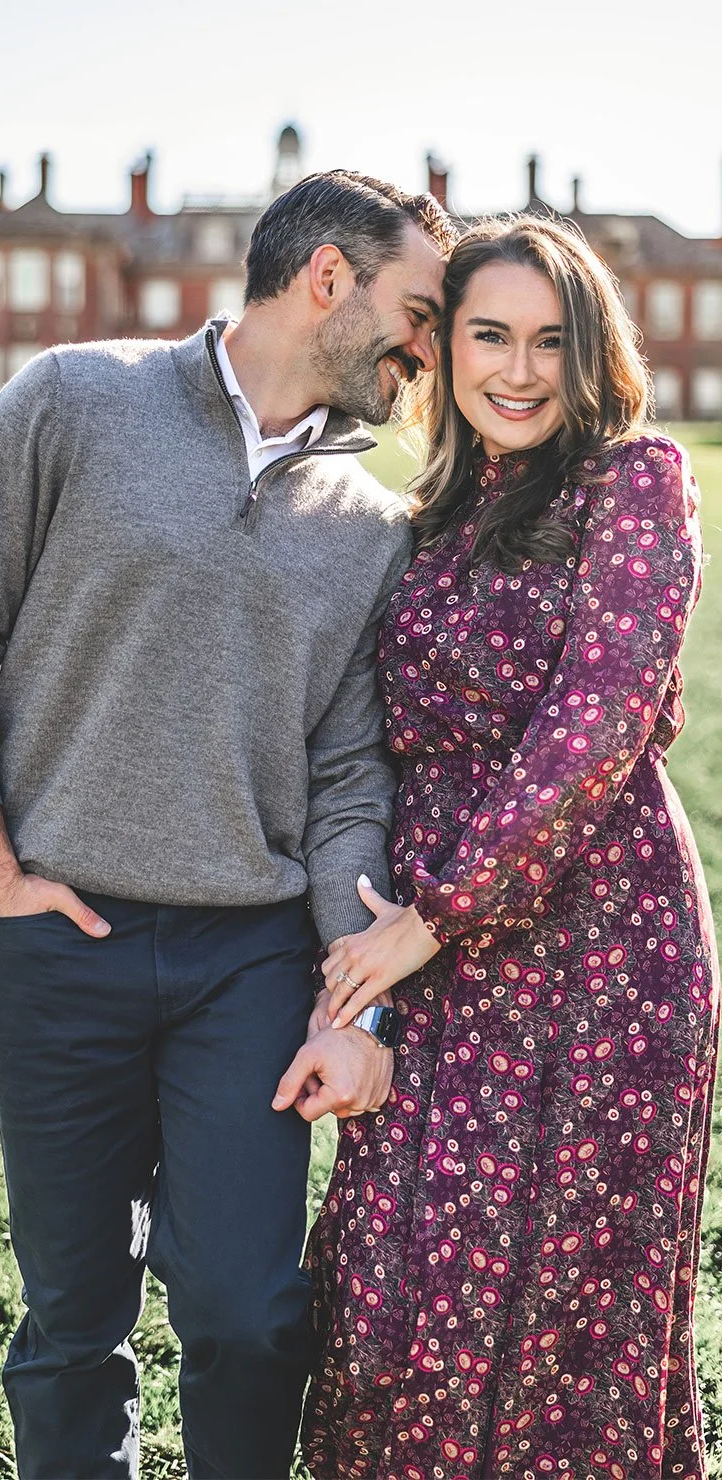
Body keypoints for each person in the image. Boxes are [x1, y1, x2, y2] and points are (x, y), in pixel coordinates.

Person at [0, 170, 455, 1479]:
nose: (425, 350)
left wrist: (351, 1007)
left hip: (247, 962)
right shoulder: (71, 400)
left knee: (251, 1316)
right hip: (57, 945)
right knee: (73, 1321)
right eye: (418, 312)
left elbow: (348, 779)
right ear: (327, 278)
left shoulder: (373, 529)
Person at [300, 216, 716, 1478]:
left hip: (596, 943)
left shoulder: (633, 482)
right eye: (489, 335)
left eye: (549, 340)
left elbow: (596, 722)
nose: (519, 371)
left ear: (589, 352)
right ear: (442, 347)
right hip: (428, 950)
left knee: (561, 1309)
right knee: (394, 1283)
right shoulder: (429, 511)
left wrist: (434, 914)